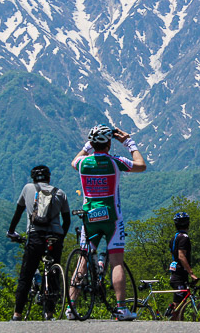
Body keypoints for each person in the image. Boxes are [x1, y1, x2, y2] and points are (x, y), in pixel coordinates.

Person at [67, 124, 146, 321]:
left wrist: (90, 144)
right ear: (109, 144)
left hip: (90, 217)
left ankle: (72, 307)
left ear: (93, 144)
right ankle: (121, 308)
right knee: (117, 262)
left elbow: (74, 160)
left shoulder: (83, 163)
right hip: (112, 217)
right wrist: (128, 141)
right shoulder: (115, 162)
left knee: (83, 260)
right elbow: (141, 165)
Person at [6, 165, 70, 321]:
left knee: (26, 275)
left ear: (33, 178)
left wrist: (11, 231)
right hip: (55, 236)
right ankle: (49, 313)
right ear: (49, 178)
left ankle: (17, 314)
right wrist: (60, 238)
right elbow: (67, 220)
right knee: (53, 273)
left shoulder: (28, 188)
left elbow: (18, 213)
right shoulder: (60, 193)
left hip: (35, 235)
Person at [165, 211, 198, 319]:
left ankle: (175, 322)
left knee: (180, 303)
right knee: (178, 305)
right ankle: (171, 325)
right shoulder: (184, 237)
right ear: (188, 224)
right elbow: (181, 256)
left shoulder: (174, 237)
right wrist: (191, 273)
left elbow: (173, 254)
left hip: (175, 273)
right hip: (179, 275)